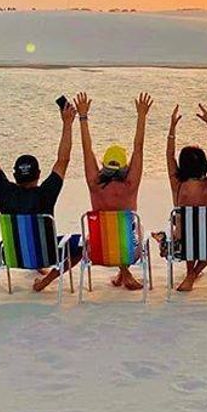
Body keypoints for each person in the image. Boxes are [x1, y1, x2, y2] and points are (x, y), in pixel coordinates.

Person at [0, 97, 82, 291]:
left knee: (28, 233)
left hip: (12, 255)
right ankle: (47, 280)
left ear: (14, 176)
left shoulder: (4, 191)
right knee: (82, 242)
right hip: (48, 253)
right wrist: (67, 124)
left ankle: (36, 265)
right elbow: (63, 160)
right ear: (39, 175)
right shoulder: (46, 192)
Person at [76, 90, 151, 290]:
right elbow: (139, 147)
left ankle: (123, 274)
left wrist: (82, 117)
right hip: (129, 252)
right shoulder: (130, 186)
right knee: (133, 229)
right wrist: (141, 116)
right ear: (124, 167)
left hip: (98, 251)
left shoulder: (94, 184)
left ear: (104, 165)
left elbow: (87, 149)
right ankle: (125, 273)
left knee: (112, 230)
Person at [158, 102, 207, 292]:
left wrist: (172, 128)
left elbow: (168, 154)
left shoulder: (178, 185)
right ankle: (193, 274)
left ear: (182, 165)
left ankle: (190, 274)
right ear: (204, 164)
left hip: (183, 246)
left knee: (183, 227)